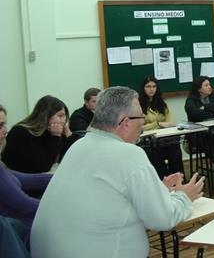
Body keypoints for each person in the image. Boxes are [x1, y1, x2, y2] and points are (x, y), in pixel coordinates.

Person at [30, 86, 204, 258]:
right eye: (141, 117)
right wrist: (183, 197)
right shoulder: (129, 154)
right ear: (126, 122)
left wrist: (158, 191)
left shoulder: (79, 145)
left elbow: (110, 199)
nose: (143, 124)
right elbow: (163, 219)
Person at [0, 105, 52, 232]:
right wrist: (63, 208)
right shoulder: (22, 133)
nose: (6, 130)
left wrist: (64, 176)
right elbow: (25, 205)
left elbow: (28, 180)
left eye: (4, 124)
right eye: (0, 125)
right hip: (23, 234)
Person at [2, 96, 71, 173]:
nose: (63, 120)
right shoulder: (20, 132)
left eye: (64, 116)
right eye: (60, 116)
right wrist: (56, 136)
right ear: (46, 115)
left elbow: (68, 158)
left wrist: (68, 134)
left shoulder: (49, 131)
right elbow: (43, 166)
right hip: (19, 176)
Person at [139, 76, 183, 178]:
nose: (151, 89)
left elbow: (171, 123)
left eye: (154, 86)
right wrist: (158, 124)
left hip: (164, 140)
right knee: (155, 152)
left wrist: (151, 125)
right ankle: (164, 178)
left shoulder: (162, 104)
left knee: (175, 150)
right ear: (143, 88)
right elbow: (140, 127)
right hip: (147, 142)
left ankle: (178, 178)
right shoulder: (138, 105)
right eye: (148, 86)